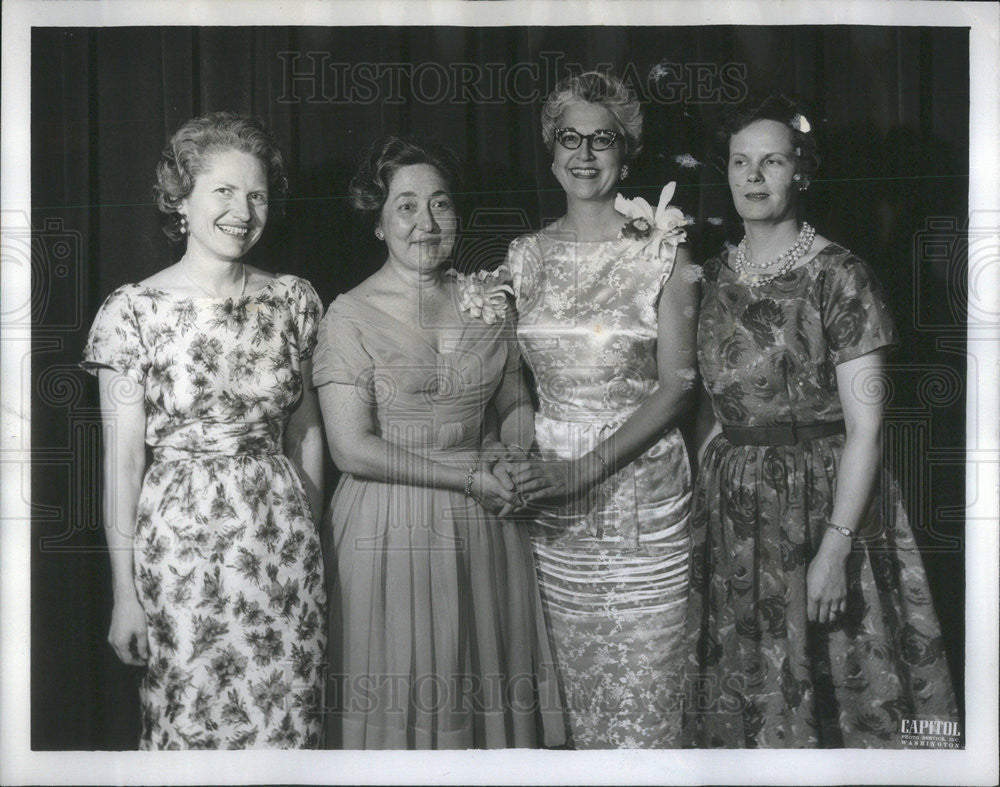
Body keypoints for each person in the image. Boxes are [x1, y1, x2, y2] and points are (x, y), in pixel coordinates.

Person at [682, 94, 959, 748]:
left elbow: (868, 428)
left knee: (843, 694)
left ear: (800, 172)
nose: (753, 177)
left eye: (771, 161)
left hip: (825, 505)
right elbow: (711, 405)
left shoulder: (842, 276)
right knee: (747, 693)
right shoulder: (712, 276)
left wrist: (835, 546)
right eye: (740, 162)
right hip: (735, 517)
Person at [81, 112, 326, 749]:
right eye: (223, 190)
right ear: (180, 199)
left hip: (283, 553)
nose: (242, 210)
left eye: (257, 194)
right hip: (179, 556)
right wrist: (124, 596)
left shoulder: (295, 301)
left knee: (288, 728)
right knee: (187, 725)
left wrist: (310, 537)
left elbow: (307, 435)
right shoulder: (132, 311)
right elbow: (124, 466)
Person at [314, 135, 565, 750]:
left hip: (488, 528)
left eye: (441, 204)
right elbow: (351, 449)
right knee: (404, 702)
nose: (426, 222)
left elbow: (513, 402)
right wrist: (468, 478)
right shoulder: (346, 316)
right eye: (405, 206)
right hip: (390, 525)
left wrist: (514, 453)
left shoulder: (489, 299)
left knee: (481, 702)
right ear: (378, 221)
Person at [504, 71, 698, 748]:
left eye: (602, 140)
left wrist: (584, 469)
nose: (584, 154)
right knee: (578, 704)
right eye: (569, 138)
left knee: (648, 698)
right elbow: (511, 385)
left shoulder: (662, 249)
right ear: (551, 149)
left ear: (627, 151)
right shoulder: (523, 257)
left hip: (642, 496)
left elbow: (677, 386)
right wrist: (522, 455)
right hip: (554, 511)